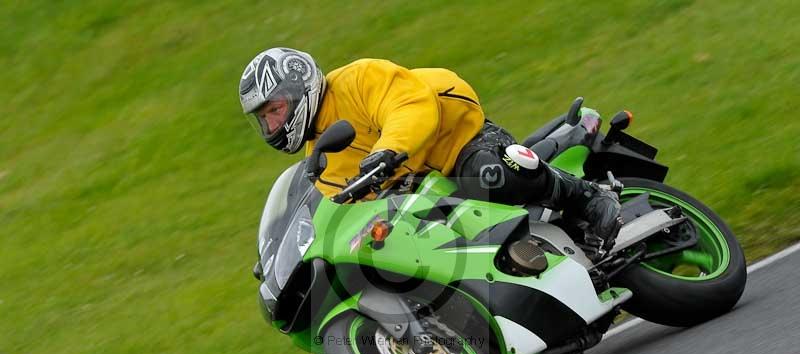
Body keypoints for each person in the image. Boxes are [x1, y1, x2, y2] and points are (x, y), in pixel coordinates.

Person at [239, 47, 622, 254]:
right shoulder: (321, 157)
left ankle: (590, 199)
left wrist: (389, 149)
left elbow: (409, 106)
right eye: (264, 118)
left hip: (455, 137)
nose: (272, 124)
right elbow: (346, 207)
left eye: (275, 110)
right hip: (421, 189)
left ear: (298, 89)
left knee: (489, 174)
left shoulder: (356, 80)